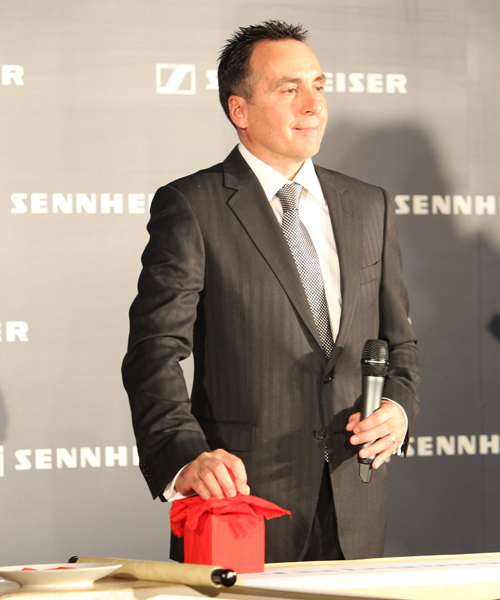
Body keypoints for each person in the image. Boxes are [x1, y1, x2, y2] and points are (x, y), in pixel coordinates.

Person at [122, 20, 420, 563]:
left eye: (319, 86)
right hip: (241, 501)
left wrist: (397, 408)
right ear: (239, 110)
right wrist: (185, 456)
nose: (313, 104)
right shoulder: (191, 205)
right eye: (289, 89)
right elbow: (153, 352)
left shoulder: (369, 204)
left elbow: (398, 343)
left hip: (355, 499)